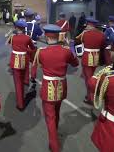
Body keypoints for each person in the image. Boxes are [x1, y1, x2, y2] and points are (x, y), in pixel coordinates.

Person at [32, 24, 79, 152]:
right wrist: (69, 48)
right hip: (61, 86)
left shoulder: (41, 52)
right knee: (56, 111)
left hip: (48, 87)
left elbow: (35, 65)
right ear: (59, 37)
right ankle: (55, 134)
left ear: (46, 37)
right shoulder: (66, 51)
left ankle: (54, 146)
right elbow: (76, 63)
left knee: (50, 117)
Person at [6, 20, 36, 111]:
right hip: (24, 59)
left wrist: (11, 33)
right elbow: (33, 48)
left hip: (15, 60)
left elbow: (7, 43)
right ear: (24, 28)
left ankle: (20, 104)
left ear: (16, 28)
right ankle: (25, 87)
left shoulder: (13, 37)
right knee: (24, 77)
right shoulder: (27, 38)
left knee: (18, 83)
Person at [75, 18, 105, 105]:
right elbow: (103, 45)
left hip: (87, 58)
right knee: (91, 76)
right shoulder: (101, 34)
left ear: (89, 25)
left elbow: (77, 40)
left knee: (88, 79)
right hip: (96, 58)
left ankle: (90, 98)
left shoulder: (85, 33)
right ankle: (92, 94)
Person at [25, 9, 43, 86]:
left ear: (25, 16)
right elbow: (41, 36)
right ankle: (32, 76)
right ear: (33, 16)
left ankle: (25, 79)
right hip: (33, 47)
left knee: (25, 63)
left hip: (24, 47)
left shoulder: (22, 25)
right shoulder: (35, 26)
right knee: (34, 63)